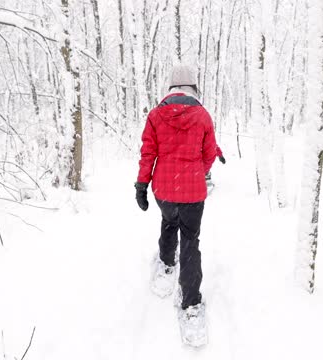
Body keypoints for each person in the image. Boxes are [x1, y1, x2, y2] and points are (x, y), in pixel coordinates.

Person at [134, 64, 218, 346]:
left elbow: (148, 152)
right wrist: (197, 171)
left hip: (164, 190)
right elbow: (209, 155)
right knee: (191, 240)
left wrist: (141, 185)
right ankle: (191, 303)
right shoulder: (203, 116)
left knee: (169, 223)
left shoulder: (156, 115)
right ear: (193, 87)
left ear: (171, 87)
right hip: (193, 192)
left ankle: (168, 263)